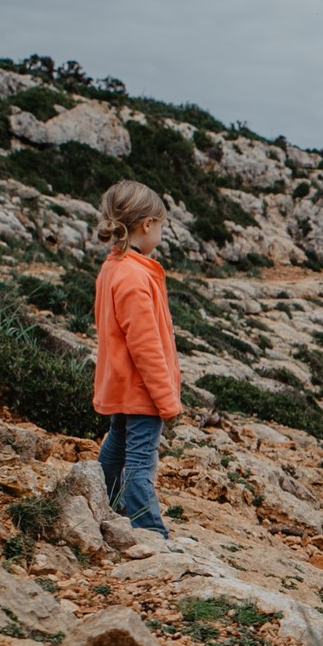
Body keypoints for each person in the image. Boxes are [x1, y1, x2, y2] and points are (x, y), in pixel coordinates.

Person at [92, 180, 182, 539]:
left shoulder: (113, 267)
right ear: (146, 225)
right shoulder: (133, 276)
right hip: (141, 391)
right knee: (141, 464)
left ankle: (107, 502)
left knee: (116, 444)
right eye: (160, 226)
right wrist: (166, 401)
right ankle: (151, 532)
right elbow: (145, 348)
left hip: (120, 384)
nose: (160, 232)